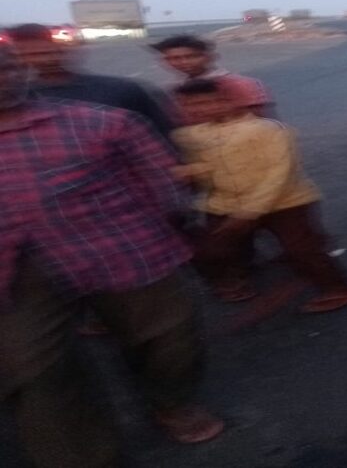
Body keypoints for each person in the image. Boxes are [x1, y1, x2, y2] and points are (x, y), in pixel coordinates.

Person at [0, 47, 223, 468]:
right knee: (33, 373)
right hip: (14, 271)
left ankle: (172, 404)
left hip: (121, 246)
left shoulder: (101, 120)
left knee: (169, 339)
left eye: (4, 68)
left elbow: (163, 178)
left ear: (20, 72)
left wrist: (177, 225)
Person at [172, 79, 347, 312]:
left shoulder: (268, 129)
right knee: (213, 248)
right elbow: (208, 165)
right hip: (225, 204)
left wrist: (250, 211)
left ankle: (340, 289)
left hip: (285, 202)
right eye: (192, 105)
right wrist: (190, 171)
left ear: (232, 101)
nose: (202, 109)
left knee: (301, 249)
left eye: (211, 101)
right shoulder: (191, 135)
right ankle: (232, 282)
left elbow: (281, 173)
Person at [8, 23, 176, 138]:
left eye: (51, 52)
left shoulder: (123, 90)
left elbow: (161, 134)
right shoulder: (13, 101)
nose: (46, 60)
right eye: (32, 55)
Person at [151, 34, 272, 120]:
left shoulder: (242, 85)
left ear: (210, 57)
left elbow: (264, 124)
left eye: (191, 56)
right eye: (174, 58)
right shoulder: (172, 89)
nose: (183, 62)